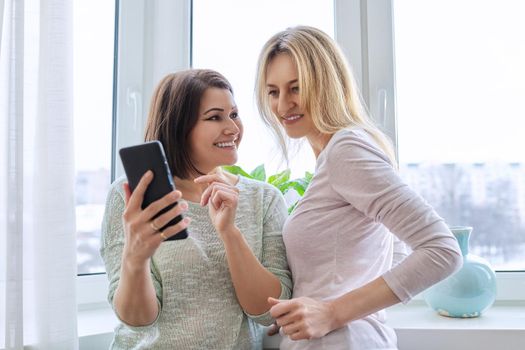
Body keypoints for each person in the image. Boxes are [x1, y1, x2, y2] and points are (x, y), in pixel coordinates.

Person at [254, 26, 462, 349]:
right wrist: (302, 309)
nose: (283, 106)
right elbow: (395, 254)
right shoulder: (333, 157)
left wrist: (332, 312)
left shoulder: (345, 151)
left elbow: (442, 250)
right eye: (273, 92)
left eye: (296, 88)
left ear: (325, 85)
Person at [100, 69, 292, 349]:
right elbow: (137, 320)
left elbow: (268, 310)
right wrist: (135, 259)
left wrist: (229, 233)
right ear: (180, 127)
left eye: (234, 114)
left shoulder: (265, 199)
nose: (233, 128)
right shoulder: (130, 196)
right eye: (215, 117)